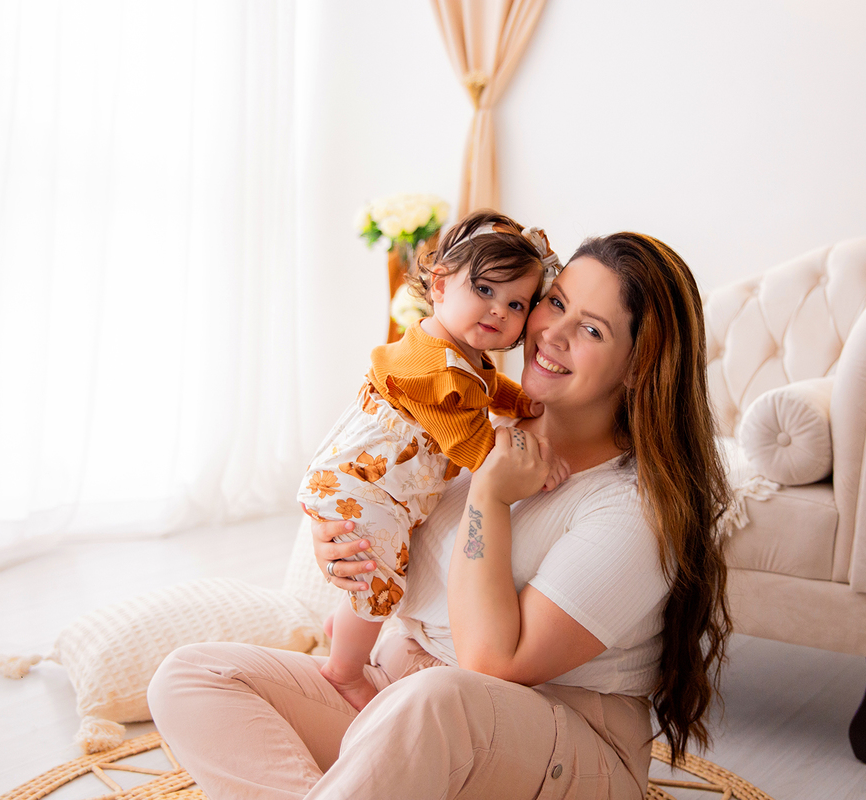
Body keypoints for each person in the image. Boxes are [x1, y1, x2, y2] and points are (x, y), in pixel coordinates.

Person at [148, 232, 732, 800]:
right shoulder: (470, 423)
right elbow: (389, 506)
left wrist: (490, 498)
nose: (551, 332)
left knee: (435, 697)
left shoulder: (632, 508)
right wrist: (343, 539)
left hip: (559, 746)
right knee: (191, 677)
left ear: (638, 366)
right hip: (402, 702)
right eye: (555, 302)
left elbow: (491, 663)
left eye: (591, 329)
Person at [295, 210, 568, 710]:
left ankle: (342, 626)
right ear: (439, 284)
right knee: (379, 580)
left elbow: (485, 386)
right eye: (484, 290)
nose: (499, 312)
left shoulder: (456, 350)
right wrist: (533, 468)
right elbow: (472, 444)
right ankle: (343, 671)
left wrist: (518, 403)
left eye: (516, 304)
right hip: (362, 487)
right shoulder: (433, 369)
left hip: (369, 484)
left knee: (372, 569)